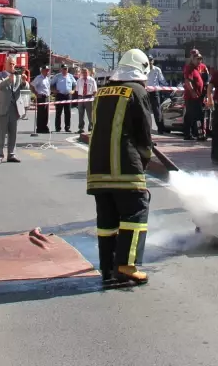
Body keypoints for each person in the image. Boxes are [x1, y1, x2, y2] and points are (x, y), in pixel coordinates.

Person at [88, 49, 153, 288]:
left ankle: (107, 269)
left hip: (97, 169)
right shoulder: (137, 91)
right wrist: (143, 162)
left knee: (107, 220)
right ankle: (127, 266)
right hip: (125, 168)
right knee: (136, 212)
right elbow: (144, 134)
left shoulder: (102, 92)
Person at [0, 55, 27, 164]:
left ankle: (11, 154)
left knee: (13, 133)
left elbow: (24, 88)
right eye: (10, 64)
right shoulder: (0, 75)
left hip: (14, 108)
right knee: (1, 133)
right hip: (3, 107)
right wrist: (8, 79)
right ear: (5, 65)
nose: (12, 66)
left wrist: (24, 82)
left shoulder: (17, 76)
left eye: (13, 64)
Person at [181, 50, 209, 141]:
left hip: (199, 96)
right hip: (191, 97)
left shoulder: (201, 67)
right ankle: (198, 134)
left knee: (191, 116)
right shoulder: (189, 68)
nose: (199, 60)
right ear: (192, 59)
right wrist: (193, 92)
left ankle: (189, 134)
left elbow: (206, 79)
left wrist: (205, 93)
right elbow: (187, 81)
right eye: (197, 59)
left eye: (200, 59)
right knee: (196, 115)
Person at [52, 64, 76, 134]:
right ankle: (58, 127)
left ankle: (67, 127)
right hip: (60, 95)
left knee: (67, 112)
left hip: (68, 95)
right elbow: (51, 84)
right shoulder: (57, 76)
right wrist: (54, 90)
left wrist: (73, 91)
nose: (65, 70)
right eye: (63, 69)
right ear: (61, 69)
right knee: (58, 112)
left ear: (67, 69)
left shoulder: (70, 76)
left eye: (66, 69)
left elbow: (74, 85)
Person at [75, 67, 97, 135]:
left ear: (88, 73)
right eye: (83, 72)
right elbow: (77, 90)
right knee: (81, 113)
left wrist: (92, 98)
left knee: (89, 113)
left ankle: (91, 126)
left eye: (85, 72)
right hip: (81, 97)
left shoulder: (92, 80)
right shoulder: (79, 80)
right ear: (81, 73)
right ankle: (81, 128)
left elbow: (95, 91)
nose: (84, 73)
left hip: (89, 97)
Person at [31, 64, 52, 134]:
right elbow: (32, 86)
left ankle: (44, 127)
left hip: (46, 97)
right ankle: (39, 128)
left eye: (48, 71)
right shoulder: (38, 78)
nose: (47, 72)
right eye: (46, 71)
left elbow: (48, 88)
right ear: (42, 71)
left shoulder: (47, 78)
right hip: (41, 97)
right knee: (40, 113)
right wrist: (36, 94)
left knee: (46, 113)